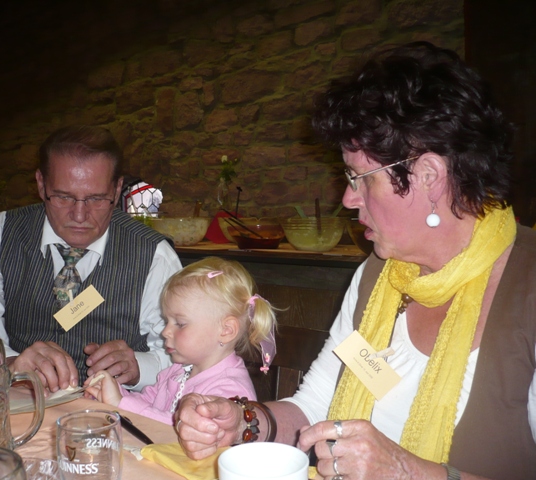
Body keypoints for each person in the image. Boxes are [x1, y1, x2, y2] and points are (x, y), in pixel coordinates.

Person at [174, 42, 536, 480]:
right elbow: (316, 406)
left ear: (429, 176)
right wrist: (241, 422)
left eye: (360, 178)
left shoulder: (528, 286)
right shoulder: (377, 275)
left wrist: (407, 472)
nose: (348, 198)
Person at [0, 125, 182, 393]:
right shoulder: (0, 233)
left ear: (117, 189)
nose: (79, 216)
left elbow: (187, 356)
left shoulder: (154, 254)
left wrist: (139, 367)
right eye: (63, 197)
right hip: (19, 400)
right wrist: (9, 363)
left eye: (96, 199)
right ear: (41, 184)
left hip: (112, 411)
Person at [84, 256, 278, 425]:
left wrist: (120, 403)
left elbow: (184, 430)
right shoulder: (178, 371)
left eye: (180, 324)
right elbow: (146, 404)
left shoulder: (230, 391)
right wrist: (112, 393)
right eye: (167, 321)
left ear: (226, 331)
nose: (165, 332)